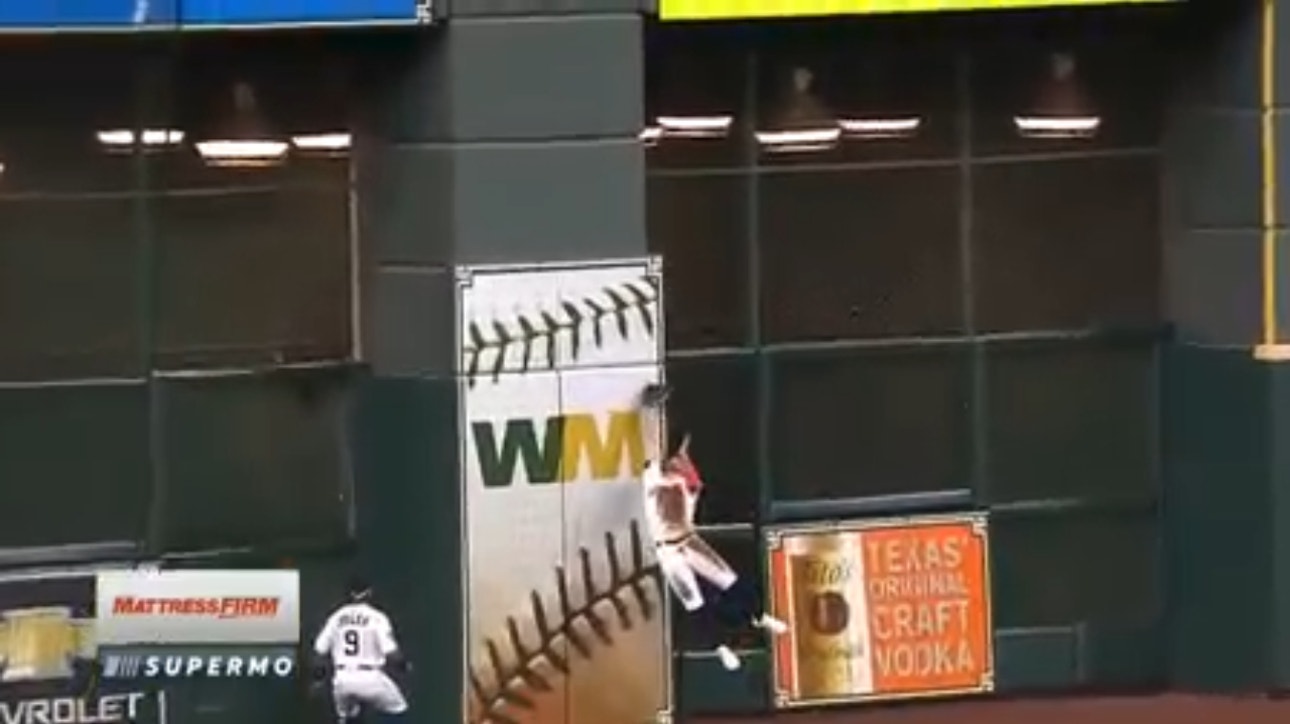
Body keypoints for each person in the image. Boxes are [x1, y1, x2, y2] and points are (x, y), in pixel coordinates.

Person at [638, 383, 788, 672]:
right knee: (694, 601)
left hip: (690, 540)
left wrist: (687, 466)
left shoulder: (685, 482)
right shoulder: (654, 476)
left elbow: (691, 483)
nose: (676, 462)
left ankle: (758, 616)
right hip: (668, 551)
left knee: (730, 581)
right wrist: (649, 410)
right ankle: (720, 648)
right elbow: (652, 451)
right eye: (675, 459)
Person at [312, 577, 410, 724]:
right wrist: (405, 666)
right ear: (369, 593)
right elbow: (392, 654)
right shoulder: (376, 617)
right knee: (399, 710)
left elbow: (319, 653)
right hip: (370, 678)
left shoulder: (336, 617)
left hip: (343, 679)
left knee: (348, 717)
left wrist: (318, 680)